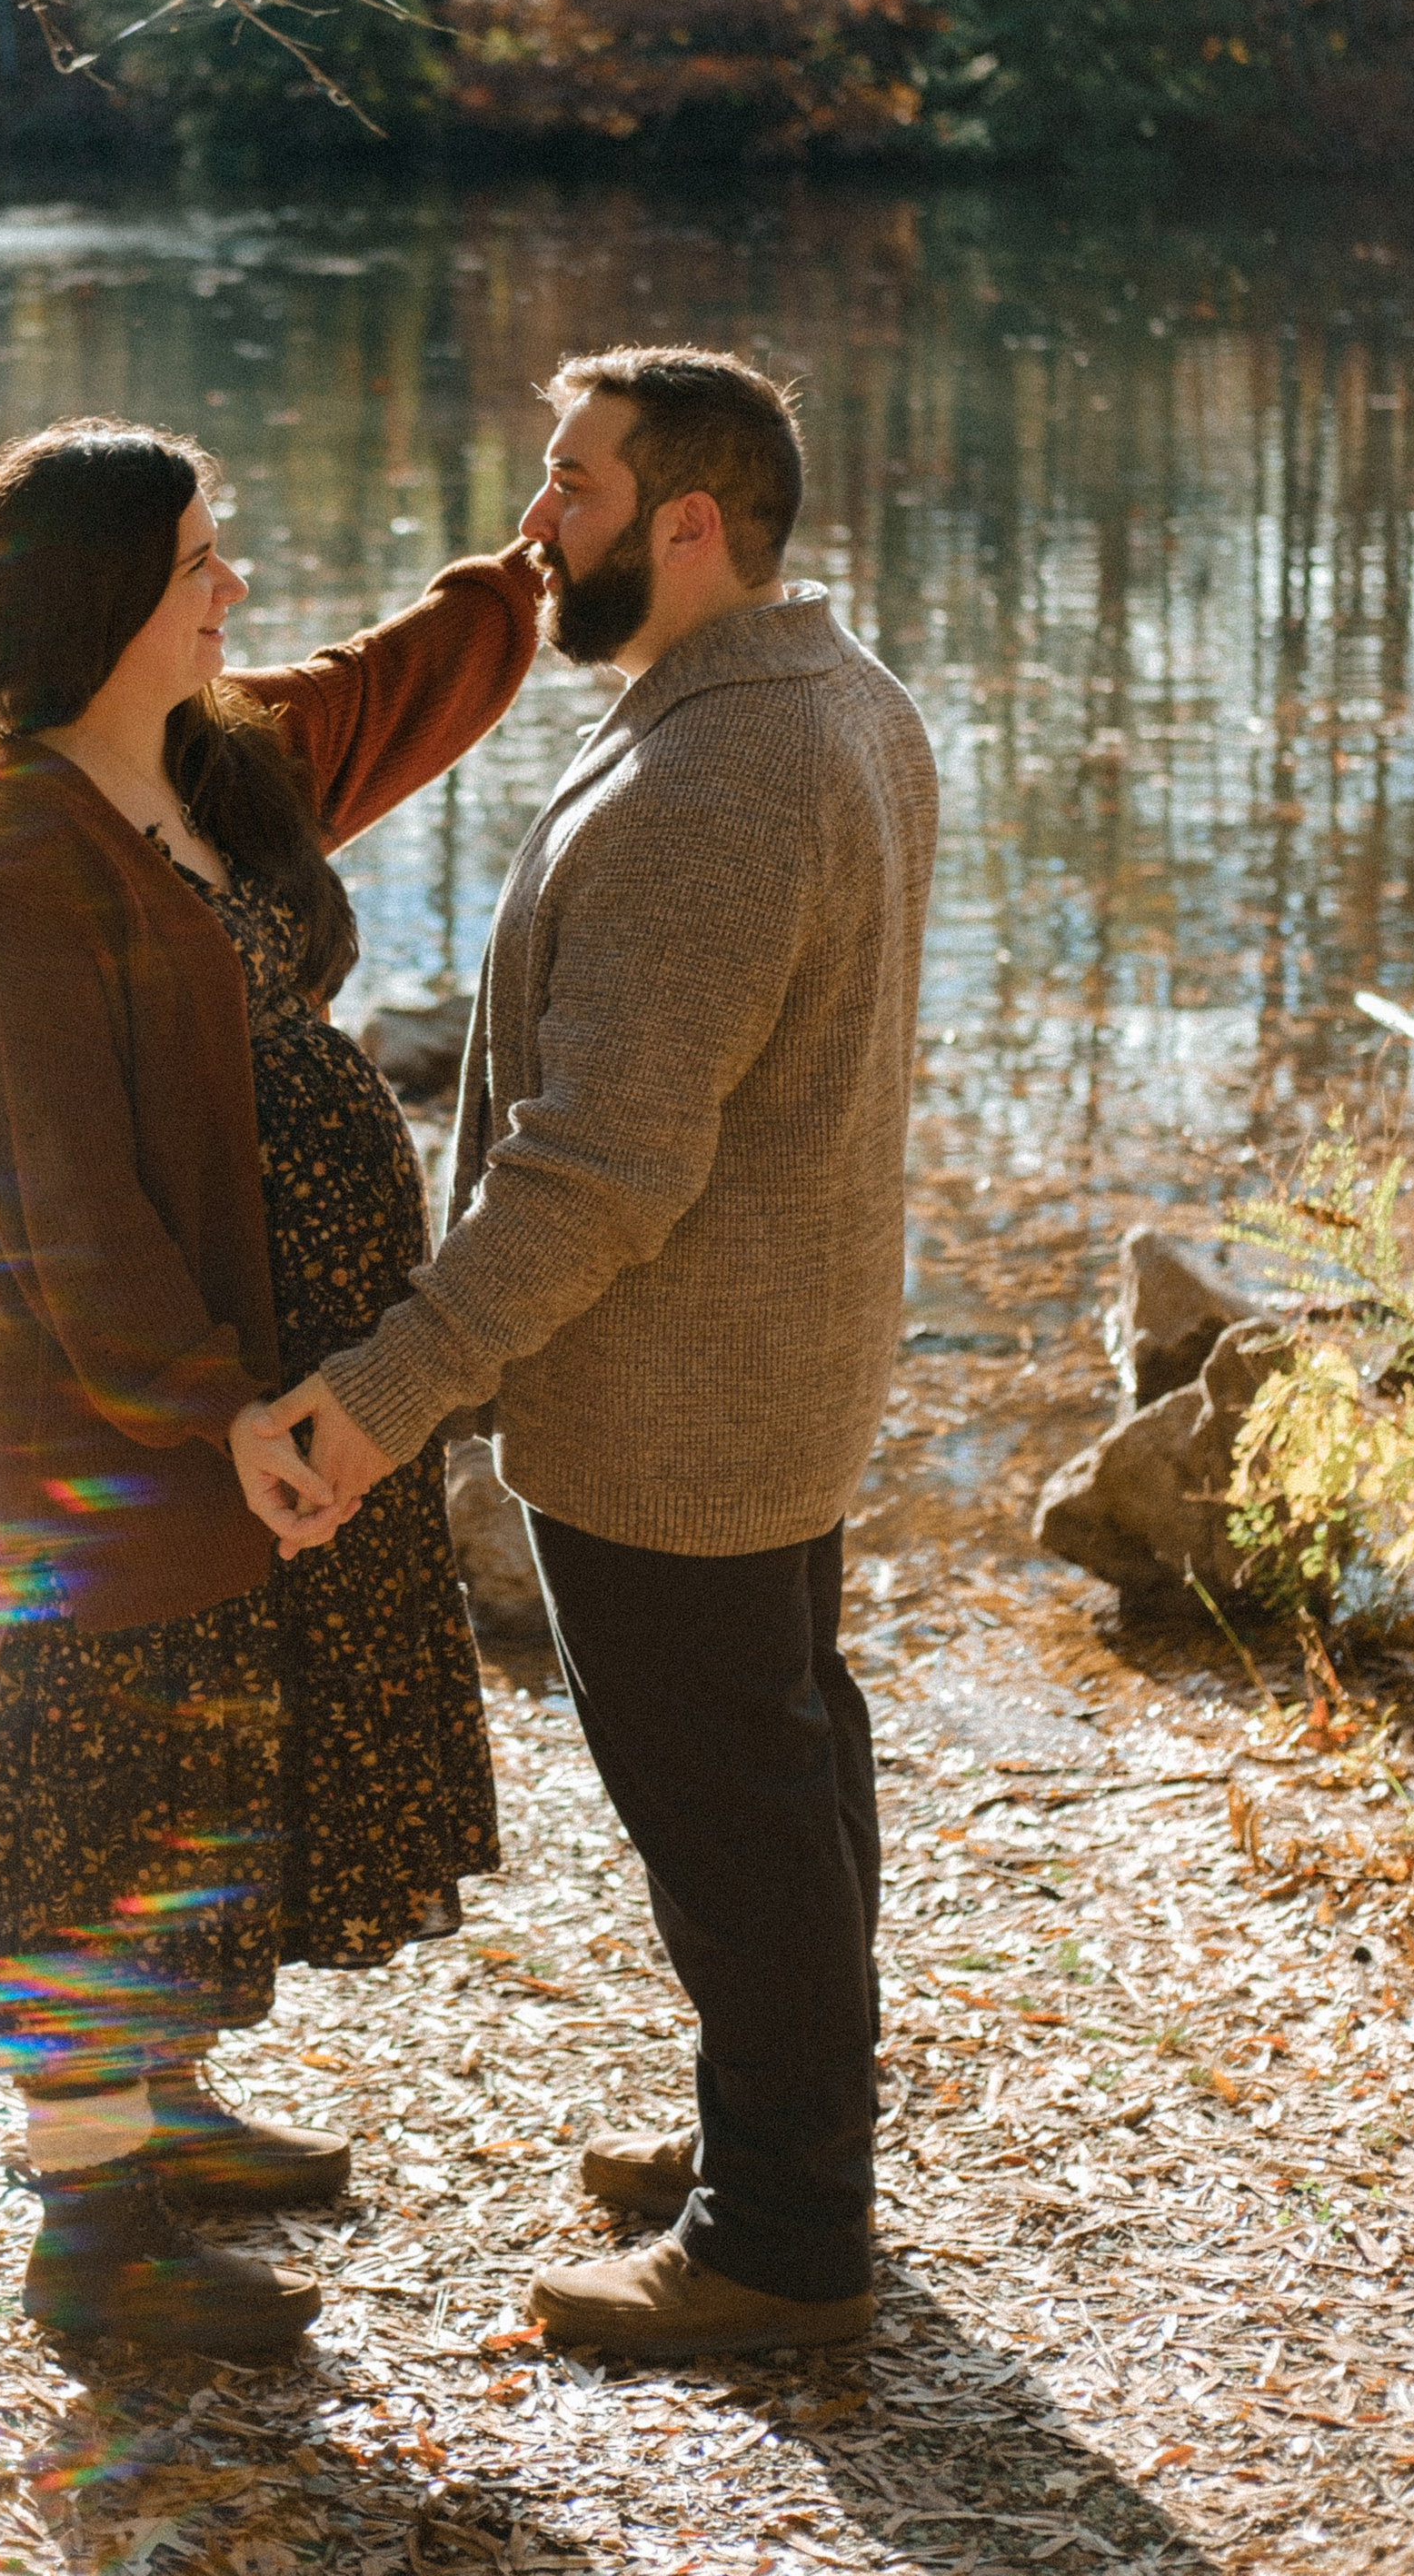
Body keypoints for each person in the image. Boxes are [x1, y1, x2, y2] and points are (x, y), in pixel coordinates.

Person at [262, 346, 938, 2361]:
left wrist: (382, 1400)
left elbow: (601, 1172)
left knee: (732, 1812)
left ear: (688, 524)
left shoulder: (720, 774)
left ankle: (784, 2249)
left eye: (565, 486)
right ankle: (778, 2127)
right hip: (780, 1366)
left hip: (677, 1404)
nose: (528, 523)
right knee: (789, 1773)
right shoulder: (832, 696)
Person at [0, 417, 539, 2354]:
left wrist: (517, 584)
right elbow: (60, 1209)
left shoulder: (217, 762)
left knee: (219, 1748)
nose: (231, 585)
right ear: (107, 595)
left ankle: (168, 2110)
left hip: (278, 1384)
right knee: (103, 1776)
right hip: (128, 1416)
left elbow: (386, 694)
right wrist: (226, 1411)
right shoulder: (27, 860)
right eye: (200, 558)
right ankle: (90, 2239)